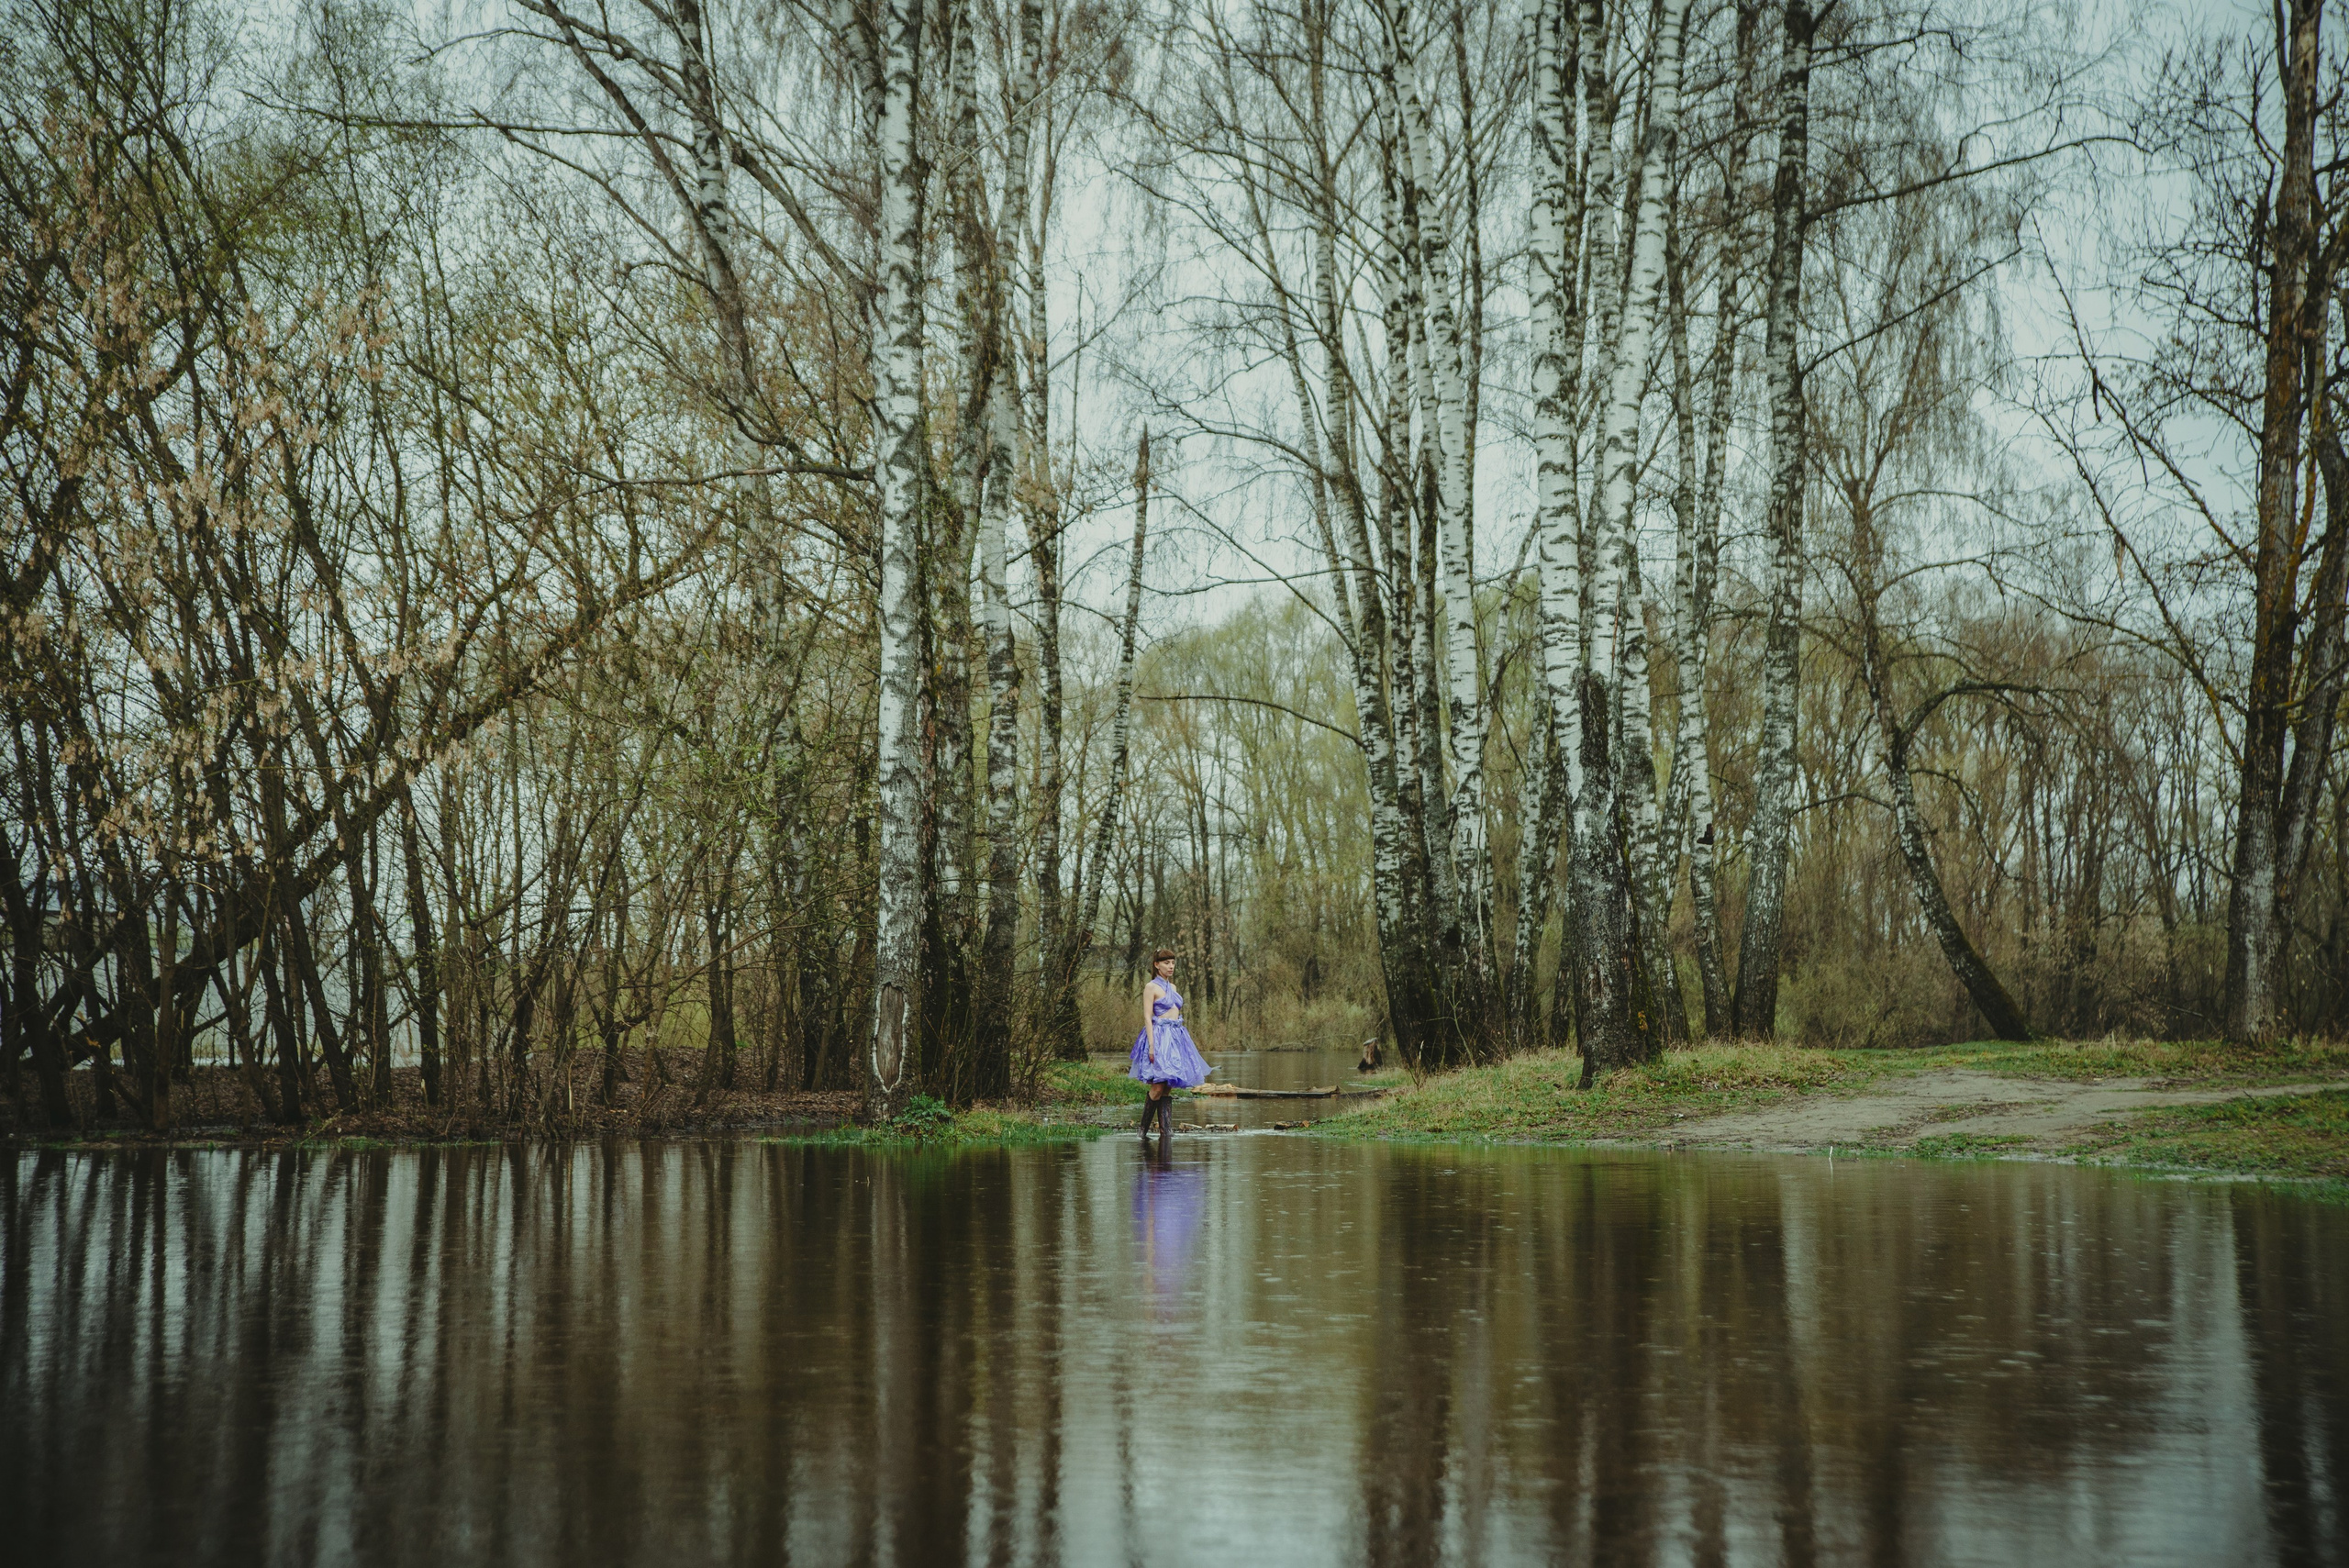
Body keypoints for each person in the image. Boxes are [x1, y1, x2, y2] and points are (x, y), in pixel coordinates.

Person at [1129, 949, 1210, 1140]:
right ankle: (1142, 1131)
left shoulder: (1172, 988)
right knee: (1157, 1087)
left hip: (1176, 1038)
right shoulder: (1151, 987)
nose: (1171, 966)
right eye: (1166, 963)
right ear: (1157, 965)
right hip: (1159, 1037)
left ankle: (1166, 1132)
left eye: (1173, 962)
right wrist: (1151, 1045)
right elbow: (1148, 1017)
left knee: (1168, 1086)